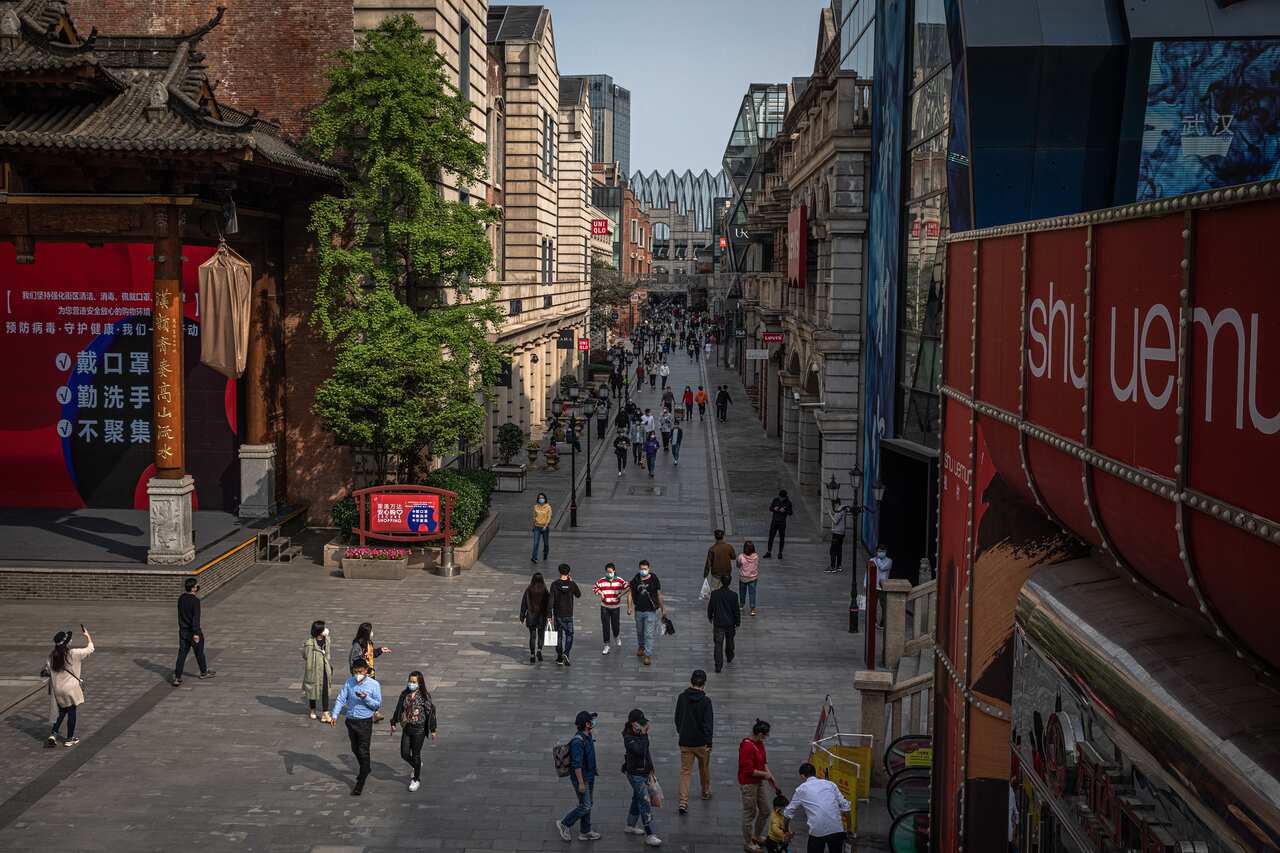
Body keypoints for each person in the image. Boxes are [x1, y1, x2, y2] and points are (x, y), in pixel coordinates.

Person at [328, 658, 381, 796]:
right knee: (355, 748)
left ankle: (361, 780)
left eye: (361, 672)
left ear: (366, 671)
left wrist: (366, 698)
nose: (358, 674)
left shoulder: (374, 685)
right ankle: (366, 767)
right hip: (351, 721)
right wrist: (334, 715)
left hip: (364, 722)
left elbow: (376, 705)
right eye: (355, 672)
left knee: (363, 750)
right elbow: (341, 699)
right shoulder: (349, 682)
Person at [782, 763, 851, 853]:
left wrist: (786, 830)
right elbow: (846, 807)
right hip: (836, 828)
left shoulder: (801, 789)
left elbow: (788, 813)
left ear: (802, 776)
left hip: (817, 830)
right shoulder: (830, 784)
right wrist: (849, 829)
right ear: (815, 773)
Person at [389, 670, 437, 792]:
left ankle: (416, 779)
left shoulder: (424, 696)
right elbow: (398, 709)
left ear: (420, 683)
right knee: (404, 753)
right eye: (410, 681)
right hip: (407, 728)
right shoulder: (404, 694)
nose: (411, 683)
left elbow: (431, 712)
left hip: (419, 729)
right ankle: (417, 765)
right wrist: (394, 722)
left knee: (416, 754)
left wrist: (432, 729)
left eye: (414, 682)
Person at [556, 711, 601, 841]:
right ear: (587, 724)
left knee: (588, 803)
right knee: (585, 805)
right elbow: (576, 765)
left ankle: (585, 831)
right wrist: (581, 783)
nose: (593, 722)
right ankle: (564, 823)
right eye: (591, 721)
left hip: (590, 775)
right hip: (582, 778)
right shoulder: (578, 742)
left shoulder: (588, 735)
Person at [674, 669, 714, 814]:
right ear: (704, 684)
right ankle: (705, 791)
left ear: (690, 681)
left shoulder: (682, 697)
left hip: (685, 741)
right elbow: (708, 724)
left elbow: (677, 718)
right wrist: (709, 742)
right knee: (704, 768)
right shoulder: (706, 701)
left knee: (685, 771)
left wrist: (682, 732)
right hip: (701, 743)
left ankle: (683, 802)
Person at [45, 627, 93, 748]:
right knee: (71, 711)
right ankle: (69, 738)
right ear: (67, 643)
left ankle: (53, 734)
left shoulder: (51, 656)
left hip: (58, 689)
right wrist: (87, 636)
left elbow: (46, 670)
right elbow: (90, 649)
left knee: (62, 710)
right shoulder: (73, 653)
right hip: (70, 689)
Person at [623, 709, 662, 846]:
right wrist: (644, 735)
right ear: (633, 724)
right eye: (640, 723)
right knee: (644, 802)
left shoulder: (639, 734)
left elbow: (646, 753)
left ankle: (630, 825)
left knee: (637, 798)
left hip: (645, 772)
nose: (643, 726)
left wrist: (651, 768)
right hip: (635, 774)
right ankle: (650, 834)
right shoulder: (628, 738)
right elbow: (640, 752)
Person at [738, 720, 776, 853]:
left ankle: (757, 836)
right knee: (750, 813)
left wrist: (771, 777)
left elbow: (764, 762)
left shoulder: (759, 743)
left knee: (765, 810)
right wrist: (764, 774)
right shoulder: (747, 747)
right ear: (760, 734)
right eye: (765, 735)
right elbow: (748, 770)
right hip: (748, 783)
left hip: (759, 781)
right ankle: (748, 843)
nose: (765, 738)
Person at [172, 576, 215, 686]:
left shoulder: (181, 598)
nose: (197, 587)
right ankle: (203, 672)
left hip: (183, 631)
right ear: (192, 588)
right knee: (199, 653)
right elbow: (196, 618)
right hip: (193, 632)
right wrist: (196, 633)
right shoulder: (195, 601)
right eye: (196, 586)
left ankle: (177, 677)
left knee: (182, 654)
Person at [627, 560, 665, 666]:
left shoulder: (654, 579)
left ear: (649, 569)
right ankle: (641, 646)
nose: (643, 571)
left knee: (648, 634)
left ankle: (648, 654)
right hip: (639, 610)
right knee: (640, 631)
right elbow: (630, 594)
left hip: (650, 611)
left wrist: (663, 609)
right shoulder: (636, 579)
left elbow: (659, 594)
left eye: (645, 569)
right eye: (641, 569)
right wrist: (629, 607)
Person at [707, 575, 741, 673]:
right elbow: (736, 611)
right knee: (730, 641)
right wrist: (738, 622)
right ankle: (729, 655)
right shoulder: (733, 595)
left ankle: (718, 665)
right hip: (730, 623)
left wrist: (710, 616)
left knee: (718, 644)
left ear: (721, 581)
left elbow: (710, 607)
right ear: (729, 582)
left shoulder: (715, 594)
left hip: (718, 623)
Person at [550, 563, 581, 666]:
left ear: (559, 572)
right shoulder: (571, 584)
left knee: (558, 636)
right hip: (568, 614)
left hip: (558, 614)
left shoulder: (554, 584)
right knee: (569, 634)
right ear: (569, 572)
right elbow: (578, 594)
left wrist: (549, 615)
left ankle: (559, 657)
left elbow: (551, 600)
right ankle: (566, 653)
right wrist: (572, 582)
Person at [593, 563, 628, 655]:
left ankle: (617, 636)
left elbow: (628, 587)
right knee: (605, 626)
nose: (609, 573)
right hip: (605, 606)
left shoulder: (620, 581)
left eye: (611, 572)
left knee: (615, 625)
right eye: (607, 572)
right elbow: (595, 588)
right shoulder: (601, 581)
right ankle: (606, 645)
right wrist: (601, 593)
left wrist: (621, 594)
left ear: (614, 571)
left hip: (615, 607)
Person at [302, 620, 334, 722]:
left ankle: (325, 712)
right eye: (323, 628)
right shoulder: (310, 643)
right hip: (314, 670)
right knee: (313, 690)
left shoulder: (327, 640)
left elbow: (328, 653)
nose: (326, 630)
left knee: (325, 690)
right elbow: (305, 656)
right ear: (318, 631)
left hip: (324, 669)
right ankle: (312, 710)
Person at [520, 572, 552, 663]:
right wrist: (549, 615)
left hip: (531, 616)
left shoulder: (529, 589)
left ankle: (532, 654)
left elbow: (524, 603)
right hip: (541, 616)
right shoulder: (544, 590)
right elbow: (548, 604)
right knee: (541, 634)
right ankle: (539, 650)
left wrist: (522, 616)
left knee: (532, 636)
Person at [764, 490, 794, 559]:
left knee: (782, 538)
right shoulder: (775, 500)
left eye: (782, 498)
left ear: (785, 497)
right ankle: (769, 552)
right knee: (771, 537)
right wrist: (774, 508)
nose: (780, 499)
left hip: (782, 523)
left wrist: (785, 511)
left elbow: (790, 513)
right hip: (774, 522)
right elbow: (770, 508)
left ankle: (780, 552)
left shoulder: (788, 503)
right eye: (780, 497)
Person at [869, 545, 893, 627]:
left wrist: (878, 560)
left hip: (883, 587)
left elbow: (882, 567)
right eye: (879, 551)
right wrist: (866, 583)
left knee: (883, 605)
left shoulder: (889, 561)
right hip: (873, 585)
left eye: (883, 551)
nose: (881, 553)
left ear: (885, 552)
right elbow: (867, 572)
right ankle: (873, 621)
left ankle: (883, 623)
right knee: (873, 605)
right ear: (876, 551)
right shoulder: (871, 560)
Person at [737, 541, 760, 616]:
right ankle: (752, 609)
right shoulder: (756, 556)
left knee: (742, 592)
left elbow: (738, 565)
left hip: (743, 577)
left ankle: (741, 604)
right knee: (752, 593)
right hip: (753, 578)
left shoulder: (741, 556)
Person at [827, 505, 850, 574]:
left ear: (836, 504)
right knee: (839, 550)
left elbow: (835, 521)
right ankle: (839, 566)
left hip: (837, 534)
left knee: (833, 550)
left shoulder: (840, 510)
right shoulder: (843, 510)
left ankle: (832, 567)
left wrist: (830, 514)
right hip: (841, 533)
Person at [532, 492, 552, 563]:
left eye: (542, 498)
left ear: (545, 499)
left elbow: (549, 517)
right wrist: (534, 524)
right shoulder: (535, 507)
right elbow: (534, 516)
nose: (541, 499)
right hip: (537, 527)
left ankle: (545, 554)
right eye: (540, 498)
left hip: (545, 527)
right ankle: (534, 557)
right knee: (535, 543)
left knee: (546, 544)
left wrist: (546, 526)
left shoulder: (548, 507)